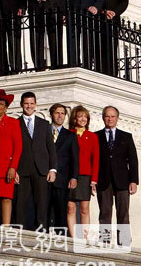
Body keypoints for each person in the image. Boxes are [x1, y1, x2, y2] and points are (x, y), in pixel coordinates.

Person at [95, 106, 138, 247]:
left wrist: (134, 181)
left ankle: (124, 243)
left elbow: (133, 160)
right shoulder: (96, 136)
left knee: (123, 214)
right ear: (103, 117)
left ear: (117, 118)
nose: (110, 119)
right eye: (107, 116)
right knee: (105, 213)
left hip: (123, 181)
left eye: (113, 116)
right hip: (103, 180)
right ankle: (104, 242)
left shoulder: (126, 136)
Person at [14, 91, 57, 231]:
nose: (29, 106)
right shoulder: (15, 123)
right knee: (20, 203)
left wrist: (52, 169)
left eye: (32, 103)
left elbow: (51, 148)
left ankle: (42, 232)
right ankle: (19, 231)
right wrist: (13, 169)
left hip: (41, 169)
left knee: (41, 203)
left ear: (36, 104)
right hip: (22, 169)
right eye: (26, 103)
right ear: (21, 105)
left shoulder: (44, 124)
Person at [0, 90, 21, 225]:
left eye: (1, 104)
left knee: (6, 198)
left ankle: (6, 228)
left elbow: (18, 147)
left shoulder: (13, 123)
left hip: (7, 166)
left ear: (6, 107)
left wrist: (13, 167)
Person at [68, 105, 100, 242]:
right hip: (70, 176)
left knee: (84, 208)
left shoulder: (92, 136)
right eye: (80, 116)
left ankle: (85, 238)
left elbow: (96, 159)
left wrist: (94, 180)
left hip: (85, 176)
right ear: (74, 119)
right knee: (70, 207)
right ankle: (73, 238)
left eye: (85, 117)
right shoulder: (68, 133)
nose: (83, 119)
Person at [48, 103, 80, 233]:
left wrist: (74, 177)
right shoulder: (43, 131)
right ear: (51, 114)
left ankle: (60, 238)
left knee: (60, 211)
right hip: (43, 177)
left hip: (62, 179)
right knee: (44, 210)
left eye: (62, 113)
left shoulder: (70, 135)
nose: (60, 116)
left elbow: (75, 158)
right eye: (57, 113)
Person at [101, 0, 129, 77]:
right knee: (97, 48)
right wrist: (101, 10)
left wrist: (114, 12)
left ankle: (112, 73)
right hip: (97, 18)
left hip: (112, 21)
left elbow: (124, 1)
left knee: (111, 49)